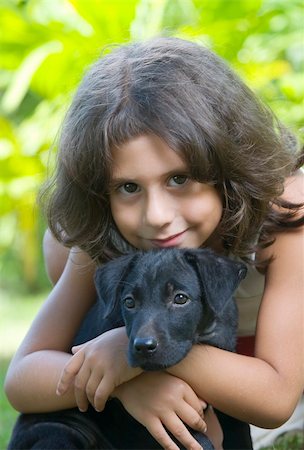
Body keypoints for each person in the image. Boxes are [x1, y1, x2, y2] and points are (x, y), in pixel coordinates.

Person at [4, 37, 304, 450]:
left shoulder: (287, 216)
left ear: (226, 162)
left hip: (280, 352)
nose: (157, 215)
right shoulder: (102, 234)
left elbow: (274, 396)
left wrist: (128, 353)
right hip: (214, 360)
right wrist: (129, 383)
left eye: (179, 178)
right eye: (128, 187)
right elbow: (22, 378)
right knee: (65, 245)